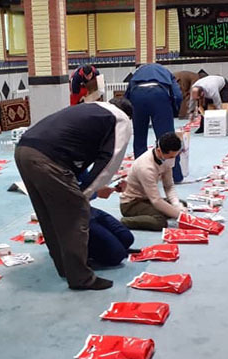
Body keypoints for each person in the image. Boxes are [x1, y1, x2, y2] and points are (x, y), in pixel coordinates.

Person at [14, 97, 133, 290]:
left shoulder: (91, 108)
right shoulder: (121, 119)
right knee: (76, 216)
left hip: (24, 150)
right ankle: (81, 278)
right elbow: (110, 160)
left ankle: (65, 267)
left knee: (48, 214)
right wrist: (85, 193)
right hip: (49, 159)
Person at [124, 63, 184, 183]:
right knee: (167, 138)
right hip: (159, 95)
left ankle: (141, 175)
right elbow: (178, 95)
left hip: (137, 96)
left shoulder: (137, 73)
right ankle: (175, 176)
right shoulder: (165, 72)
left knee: (139, 138)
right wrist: (174, 109)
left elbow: (127, 96)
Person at [120, 132, 186, 231]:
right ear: (159, 151)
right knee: (160, 221)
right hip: (132, 203)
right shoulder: (146, 167)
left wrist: (176, 205)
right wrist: (180, 216)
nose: (173, 160)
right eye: (171, 157)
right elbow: (156, 200)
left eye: (175, 156)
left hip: (147, 198)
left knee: (181, 203)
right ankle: (124, 221)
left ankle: (152, 214)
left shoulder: (166, 159)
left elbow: (169, 186)